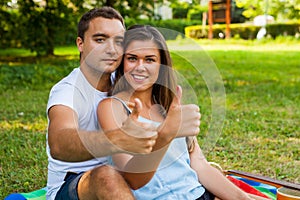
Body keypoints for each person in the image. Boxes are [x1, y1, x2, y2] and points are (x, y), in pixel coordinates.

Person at [46, 7, 201, 200]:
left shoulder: (127, 79)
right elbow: (59, 145)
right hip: (75, 185)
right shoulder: (68, 91)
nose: (111, 49)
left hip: (126, 174)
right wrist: (117, 139)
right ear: (80, 43)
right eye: (100, 39)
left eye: (118, 41)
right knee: (107, 176)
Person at [97, 25, 266, 200]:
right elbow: (132, 177)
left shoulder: (169, 105)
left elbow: (199, 165)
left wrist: (244, 198)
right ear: (122, 62)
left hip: (199, 195)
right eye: (132, 58)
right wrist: (166, 133)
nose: (140, 67)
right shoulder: (111, 108)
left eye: (149, 60)